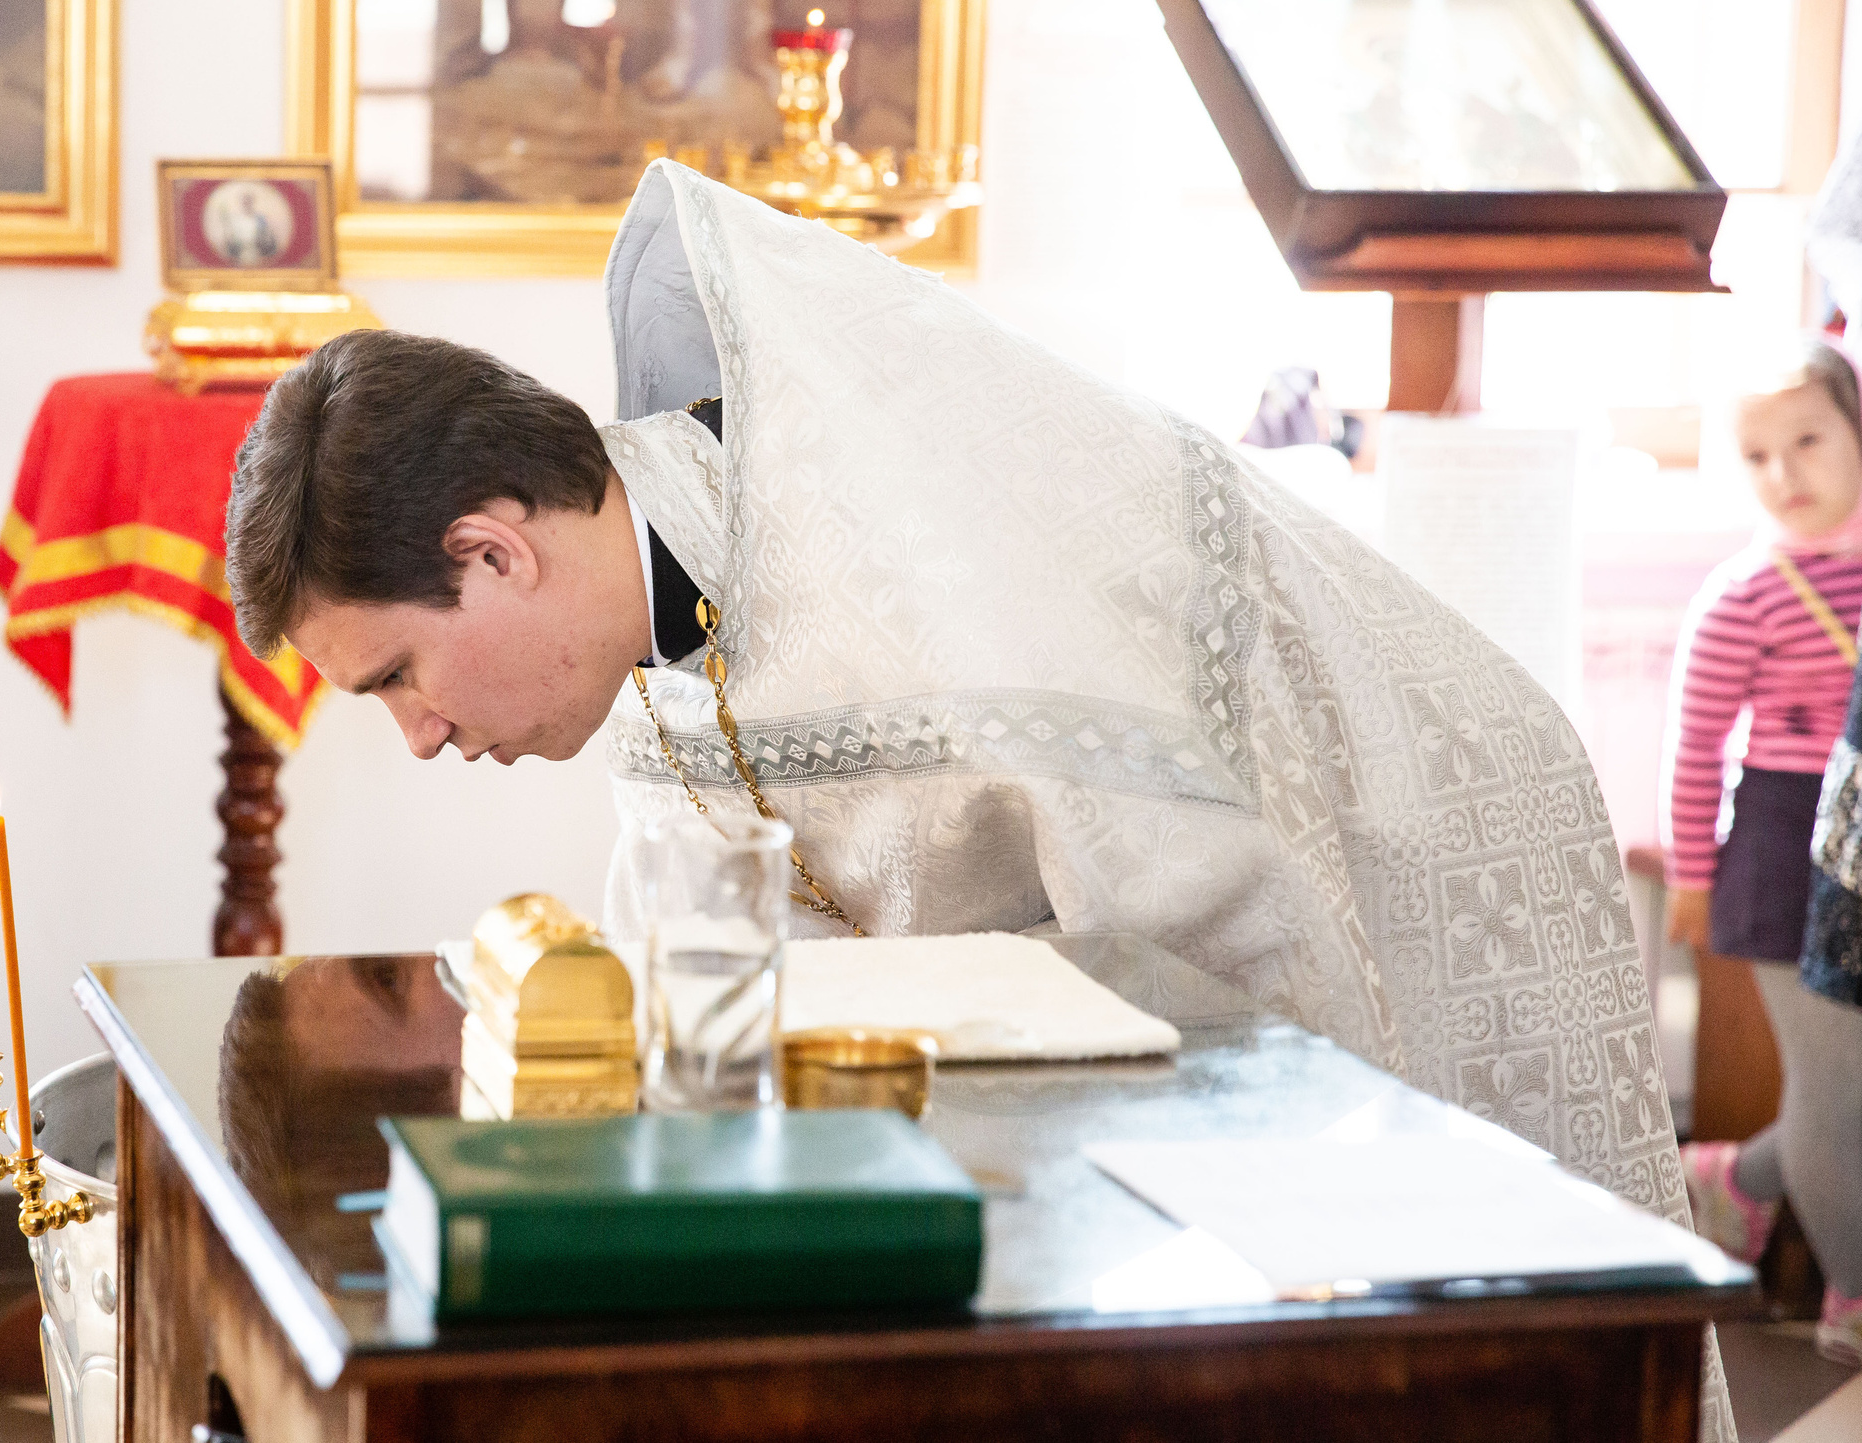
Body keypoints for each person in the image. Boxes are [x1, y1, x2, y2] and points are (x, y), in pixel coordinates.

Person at [223, 158, 1724, 1427]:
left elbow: (1211, 963)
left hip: (1418, 815)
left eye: (397, 676)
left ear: (493, 550)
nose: (417, 734)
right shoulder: (649, 658)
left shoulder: (923, 559)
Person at [1665, 335, 1862, 1365]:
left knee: (1849, 1086)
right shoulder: (1742, 598)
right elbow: (1695, 748)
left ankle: (1734, 1181)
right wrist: (1691, 880)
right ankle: (1852, 1300)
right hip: (1786, 850)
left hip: (1856, 843)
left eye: (1807, 441)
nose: (1783, 476)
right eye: (1755, 456)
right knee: (1835, 1086)